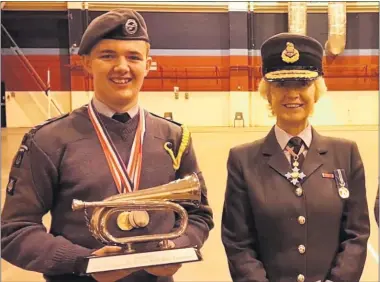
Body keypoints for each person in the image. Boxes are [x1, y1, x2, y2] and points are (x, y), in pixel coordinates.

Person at [1, 8, 214, 282]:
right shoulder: (47, 139)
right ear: (87, 63)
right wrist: (83, 261)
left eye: (134, 57)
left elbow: (198, 215)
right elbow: (14, 231)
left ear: (148, 65)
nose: (122, 67)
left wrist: (179, 246)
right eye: (108, 55)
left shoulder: (174, 136)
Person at [221, 33, 370, 282]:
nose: (292, 94)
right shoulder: (242, 161)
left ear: (316, 91)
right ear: (267, 93)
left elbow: (356, 235)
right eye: (280, 85)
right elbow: (238, 243)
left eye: (302, 83)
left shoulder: (346, 154)